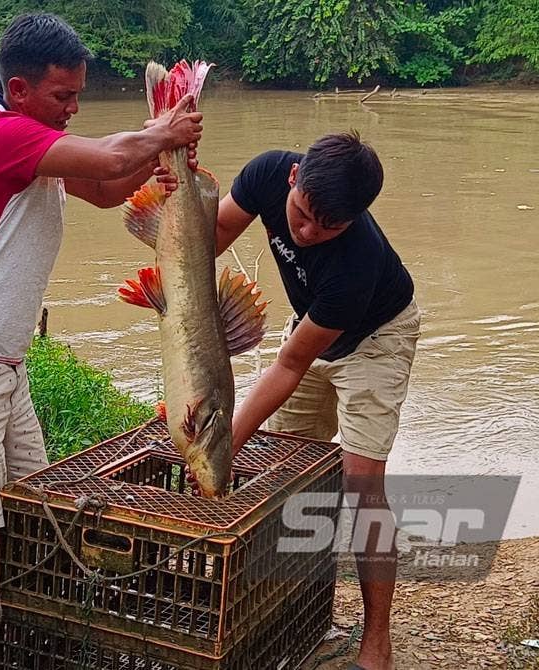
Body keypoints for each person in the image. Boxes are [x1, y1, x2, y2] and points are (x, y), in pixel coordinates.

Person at [0, 13, 202, 670]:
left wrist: (159, 163)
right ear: (19, 87)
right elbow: (117, 155)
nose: (73, 107)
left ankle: (28, 644)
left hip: (0, 366)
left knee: (34, 512)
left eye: (77, 95)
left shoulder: (38, 142)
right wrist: (160, 132)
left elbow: (107, 184)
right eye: (63, 96)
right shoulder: (0, 137)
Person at [166, 131, 418, 670]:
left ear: (352, 220)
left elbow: (289, 365)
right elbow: (205, 244)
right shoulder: (264, 171)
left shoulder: (356, 263)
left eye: (326, 228)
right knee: (286, 473)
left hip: (376, 340)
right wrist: (178, 187)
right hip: (309, 329)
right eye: (300, 214)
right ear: (292, 178)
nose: (306, 232)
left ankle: (377, 640)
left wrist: (220, 446)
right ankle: (290, 609)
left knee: (361, 485)